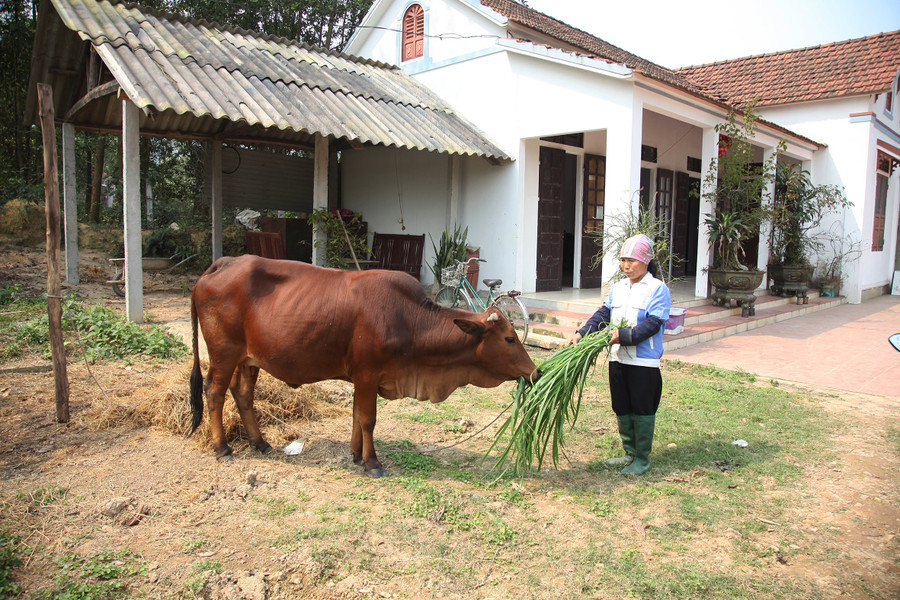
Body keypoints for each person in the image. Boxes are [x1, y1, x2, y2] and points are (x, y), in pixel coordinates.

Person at [566, 234, 671, 475]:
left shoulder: (657, 289)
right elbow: (603, 315)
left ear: (646, 261)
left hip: (644, 361)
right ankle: (629, 453)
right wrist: (581, 333)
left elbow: (653, 324)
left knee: (642, 408)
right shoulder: (618, 288)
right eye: (623, 260)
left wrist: (622, 335)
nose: (626, 265)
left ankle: (642, 458)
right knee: (621, 405)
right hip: (618, 358)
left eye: (631, 260)